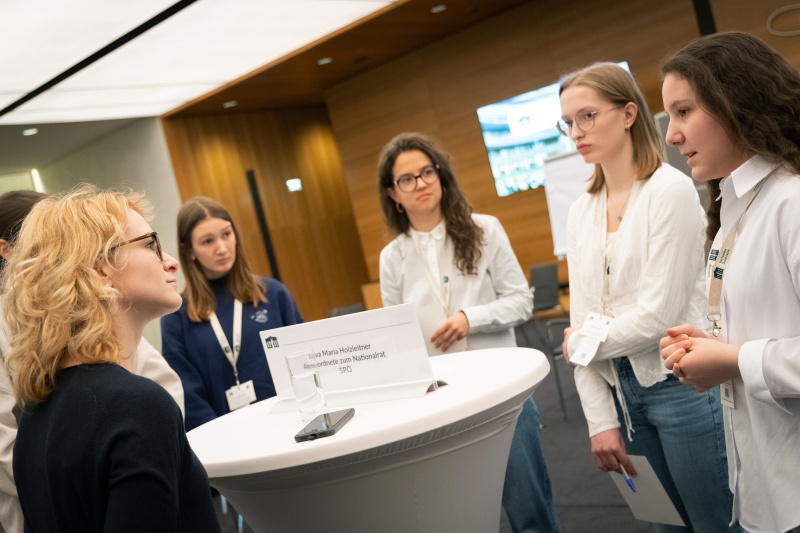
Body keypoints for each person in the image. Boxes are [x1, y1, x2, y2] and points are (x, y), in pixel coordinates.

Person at [559, 63, 738, 531]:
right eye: (568, 122)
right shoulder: (580, 211)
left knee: (714, 523)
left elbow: (655, 317)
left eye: (587, 116)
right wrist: (600, 421)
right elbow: (581, 316)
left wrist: (580, 345)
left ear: (628, 113)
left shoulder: (669, 191)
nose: (575, 132)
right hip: (618, 393)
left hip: (680, 385)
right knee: (664, 525)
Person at [2, 186, 219, 532]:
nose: (171, 261)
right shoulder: (137, 406)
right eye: (150, 244)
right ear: (100, 268)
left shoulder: (37, 413)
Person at [378, 132, 560, 533]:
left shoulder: (485, 230)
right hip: (437, 402)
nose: (421, 183)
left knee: (530, 512)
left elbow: (520, 302)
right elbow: (395, 336)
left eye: (427, 171)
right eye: (407, 179)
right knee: (457, 518)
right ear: (393, 193)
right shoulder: (392, 258)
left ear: (441, 176)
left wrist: (469, 318)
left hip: (500, 390)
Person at [660, 31, 800, 533]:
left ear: (738, 101)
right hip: (763, 483)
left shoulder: (792, 201)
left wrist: (735, 360)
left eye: (683, 111)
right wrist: (712, 346)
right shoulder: (734, 206)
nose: (672, 135)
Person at [161, 196, 303, 432]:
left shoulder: (273, 294)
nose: (222, 248)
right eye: (207, 241)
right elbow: (186, 393)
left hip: (291, 426)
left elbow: (302, 361)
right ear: (189, 251)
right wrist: (223, 438)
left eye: (227, 234)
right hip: (225, 438)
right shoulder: (176, 315)